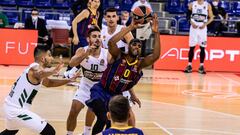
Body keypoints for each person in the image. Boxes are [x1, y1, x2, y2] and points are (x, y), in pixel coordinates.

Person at [85, 13, 160, 134]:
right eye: (134, 44)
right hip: (101, 90)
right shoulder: (119, 55)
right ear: (128, 46)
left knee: (110, 123)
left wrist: (156, 33)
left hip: (116, 95)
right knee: (103, 117)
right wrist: (130, 27)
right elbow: (111, 43)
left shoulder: (139, 64)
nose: (136, 46)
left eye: (139, 45)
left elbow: (156, 56)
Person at [0, 46, 77, 135]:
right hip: (16, 111)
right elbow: (39, 73)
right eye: (49, 55)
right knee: (49, 132)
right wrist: (53, 71)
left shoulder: (35, 71)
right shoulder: (35, 67)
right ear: (43, 58)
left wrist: (69, 80)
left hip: (10, 107)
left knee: (11, 131)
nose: (52, 58)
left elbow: (49, 83)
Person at [101, 7, 141, 127]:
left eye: (113, 16)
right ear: (105, 18)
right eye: (108, 16)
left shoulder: (123, 31)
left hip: (123, 72)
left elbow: (133, 48)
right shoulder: (102, 32)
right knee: (101, 109)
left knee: (127, 110)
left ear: (117, 18)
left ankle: (133, 131)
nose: (111, 19)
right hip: (108, 74)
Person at [66, 27, 108, 135]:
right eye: (94, 36)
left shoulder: (107, 53)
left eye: (99, 36)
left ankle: (86, 133)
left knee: (92, 109)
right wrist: (86, 54)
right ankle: (69, 134)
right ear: (88, 39)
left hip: (99, 88)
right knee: (73, 110)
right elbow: (71, 63)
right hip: (85, 85)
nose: (97, 39)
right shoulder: (82, 50)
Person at [64, 0, 101, 78]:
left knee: (84, 56)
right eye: (95, 1)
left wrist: (101, 32)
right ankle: (68, 72)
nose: (97, 3)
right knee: (80, 56)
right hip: (81, 37)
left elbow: (95, 24)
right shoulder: (86, 12)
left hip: (87, 38)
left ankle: (70, 73)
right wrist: (75, 36)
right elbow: (74, 22)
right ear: (90, 2)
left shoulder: (97, 13)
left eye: (98, 2)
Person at [184, 0, 214, 74]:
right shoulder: (192, 4)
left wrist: (205, 24)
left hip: (202, 29)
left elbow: (212, 17)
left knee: (202, 47)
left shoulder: (207, 5)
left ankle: (201, 66)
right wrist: (191, 22)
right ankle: (189, 65)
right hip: (193, 28)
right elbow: (187, 16)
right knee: (192, 47)